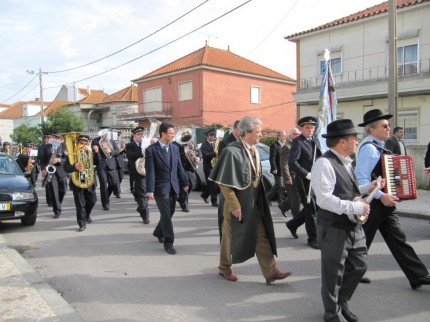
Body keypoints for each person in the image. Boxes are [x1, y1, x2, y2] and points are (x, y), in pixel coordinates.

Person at [209, 116, 292, 284]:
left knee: (261, 236)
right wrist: (235, 206)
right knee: (229, 238)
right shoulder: (230, 151)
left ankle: (271, 271)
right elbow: (224, 184)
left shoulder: (253, 149)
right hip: (236, 205)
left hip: (253, 204)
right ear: (246, 132)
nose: (261, 135)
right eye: (258, 132)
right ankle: (224, 268)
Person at [312, 119, 379, 322]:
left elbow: (348, 191)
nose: (357, 142)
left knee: (360, 265)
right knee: (333, 275)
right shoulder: (324, 163)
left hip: (352, 225)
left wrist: (370, 187)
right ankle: (331, 313)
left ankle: (342, 301)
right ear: (343, 141)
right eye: (354, 139)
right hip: (333, 227)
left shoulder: (346, 162)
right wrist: (356, 207)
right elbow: (324, 200)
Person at [355, 109, 430, 289]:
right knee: (361, 241)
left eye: (388, 125)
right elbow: (362, 180)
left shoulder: (380, 146)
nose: (389, 128)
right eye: (385, 126)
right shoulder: (369, 149)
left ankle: (418, 275)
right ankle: (350, 273)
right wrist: (383, 196)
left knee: (398, 240)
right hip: (373, 204)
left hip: (384, 205)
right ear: (372, 130)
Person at [145, 122, 189, 255]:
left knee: (169, 212)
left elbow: (179, 166)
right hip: (160, 188)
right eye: (170, 133)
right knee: (166, 215)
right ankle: (169, 242)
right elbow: (150, 171)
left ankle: (158, 231)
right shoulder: (151, 150)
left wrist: (184, 182)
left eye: (173, 133)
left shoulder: (175, 148)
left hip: (174, 186)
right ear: (163, 134)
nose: (173, 135)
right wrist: (150, 190)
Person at [286, 116, 322, 249]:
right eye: (307, 127)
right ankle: (313, 238)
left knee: (313, 207)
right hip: (303, 181)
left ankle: (293, 224)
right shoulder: (298, 142)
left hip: (316, 179)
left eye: (312, 128)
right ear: (301, 128)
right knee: (311, 209)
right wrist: (306, 174)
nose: (310, 130)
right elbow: (292, 162)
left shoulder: (314, 142)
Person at [63, 135, 97, 232]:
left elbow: (98, 162)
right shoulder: (71, 154)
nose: (83, 145)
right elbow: (66, 168)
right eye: (81, 143)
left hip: (89, 178)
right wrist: (74, 167)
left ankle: (86, 215)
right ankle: (82, 223)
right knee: (80, 204)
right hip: (77, 180)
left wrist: (97, 152)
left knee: (92, 200)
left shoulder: (91, 152)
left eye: (85, 143)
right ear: (77, 144)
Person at [39, 133, 68, 218]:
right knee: (54, 191)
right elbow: (43, 160)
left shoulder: (64, 146)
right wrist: (43, 169)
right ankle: (57, 210)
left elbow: (67, 159)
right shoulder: (47, 147)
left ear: (61, 139)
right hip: (51, 172)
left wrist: (59, 159)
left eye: (58, 138)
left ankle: (58, 202)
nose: (56, 139)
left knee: (63, 190)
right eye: (55, 138)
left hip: (62, 170)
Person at [126, 126, 150, 224]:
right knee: (142, 193)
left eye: (142, 134)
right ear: (134, 135)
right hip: (138, 172)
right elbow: (130, 156)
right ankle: (145, 216)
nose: (141, 136)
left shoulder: (147, 144)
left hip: (148, 171)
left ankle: (141, 207)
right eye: (139, 134)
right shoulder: (130, 145)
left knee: (146, 193)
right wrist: (142, 151)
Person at [173, 130, 201, 212]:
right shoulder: (175, 144)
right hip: (181, 167)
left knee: (193, 184)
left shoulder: (191, 143)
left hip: (190, 167)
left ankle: (180, 198)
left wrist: (197, 157)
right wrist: (185, 153)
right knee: (185, 185)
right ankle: (184, 205)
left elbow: (199, 152)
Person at [92, 129, 120, 211]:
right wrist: (96, 151)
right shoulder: (95, 141)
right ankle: (105, 203)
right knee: (103, 185)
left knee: (114, 183)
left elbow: (117, 151)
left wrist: (110, 151)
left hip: (111, 165)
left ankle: (106, 196)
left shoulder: (111, 141)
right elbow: (94, 154)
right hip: (101, 165)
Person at [278, 128, 301, 218]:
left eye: (299, 134)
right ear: (290, 136)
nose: (297, 136)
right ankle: (296, 218)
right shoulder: (287, 147)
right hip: (291, 175)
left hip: (299, 175)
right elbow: (284, 164)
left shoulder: (299, 145)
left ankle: (283, 206)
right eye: (295, 134)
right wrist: (287, 178)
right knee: (295, 198)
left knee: (295, 196)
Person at [266, 130, 287, 204]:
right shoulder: (274, 145)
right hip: (277, 169)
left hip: (284, 169)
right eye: (283, 135)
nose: (285, 137)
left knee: (281, 186)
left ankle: (280, 201)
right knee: (279, 184)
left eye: (285, 135)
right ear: (278, 136)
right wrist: (274, 167)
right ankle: (266, 198)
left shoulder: (286, 145)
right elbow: (272, 158)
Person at [200, 128, 218, 207]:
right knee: (212, 185)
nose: (212, 137)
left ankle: (204, 195)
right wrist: (214, 153)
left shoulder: (214, 144)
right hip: (207, 168)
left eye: (213, 135)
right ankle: (214, 201)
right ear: (207, 136)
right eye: (210, 135)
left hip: (214, 167)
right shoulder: (204, 145)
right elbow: (205, 156)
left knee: (211, 184)